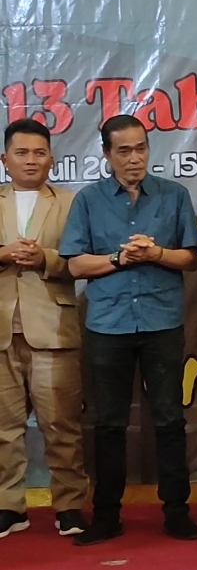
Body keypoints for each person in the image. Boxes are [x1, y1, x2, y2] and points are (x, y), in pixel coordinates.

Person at [59, 114, 197, 545]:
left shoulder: (174, 195)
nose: (135, 158)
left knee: (169, 419)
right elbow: (75, 264)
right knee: (109, 424)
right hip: (108, 325)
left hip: (162, 322)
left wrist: (156, 253)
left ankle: (177, 511)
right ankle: (106, 516)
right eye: (124, 150)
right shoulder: (88, 201)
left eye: (141, 148)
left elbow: (191, 258)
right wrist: (119, 259)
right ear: (107, 154)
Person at [0, 119, 87, 539]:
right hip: (2, 329)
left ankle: (69, 506)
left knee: (62, 426)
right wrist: (3, 254)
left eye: (39, 153)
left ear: (52, 159)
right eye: (22, 153)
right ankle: (9, 506)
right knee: (4, 429)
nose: (31, 160)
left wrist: (46, 259)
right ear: (5, 159)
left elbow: (84, 259)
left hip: (53, 327)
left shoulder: (72, 203)